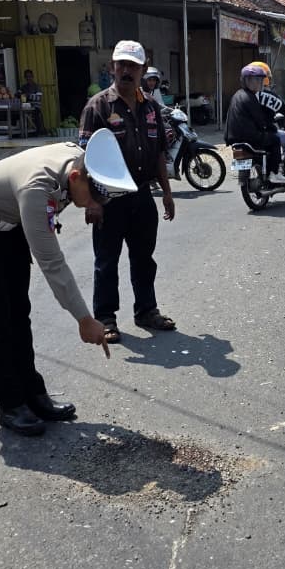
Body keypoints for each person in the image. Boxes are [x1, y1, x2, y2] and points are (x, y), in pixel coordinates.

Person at [0, 128, 136, 436]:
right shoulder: (37, 189)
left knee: (19, 313)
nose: (93, 205)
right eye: (94, 197)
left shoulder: (77, 159)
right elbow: (52, 263)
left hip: (9, 226)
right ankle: (9, 403)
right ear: (75, 178)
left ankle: (32, 393)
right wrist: (85, 319)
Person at [78, 40, 176, 345]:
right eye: (121, 65)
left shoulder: (151, 108)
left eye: (133, 66)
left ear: (143, 70)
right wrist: (91, 201)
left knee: (144, 258)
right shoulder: (98, 106)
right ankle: (106, 318)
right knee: (106, 261)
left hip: (143, 196)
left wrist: (168, 192)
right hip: (108, 200)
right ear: (112, 68)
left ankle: (146, 310)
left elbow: (159, 151)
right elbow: (81, 159)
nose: (126, 71)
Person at [225, 63, 285, 184]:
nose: (256, 83)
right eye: (252, 80)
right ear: (244, 81)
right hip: (249, 136)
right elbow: (260, 121)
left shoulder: (237, 94)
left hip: (233, 137)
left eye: (258, 80)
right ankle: (274, 173)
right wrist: (270, 127)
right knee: (274, 139)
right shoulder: (251, 98)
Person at [249, 61, 285, 181]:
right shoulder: (268, 95)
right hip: (264, 132)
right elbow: (284, 108)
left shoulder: (245, 94)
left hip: (247, 133)